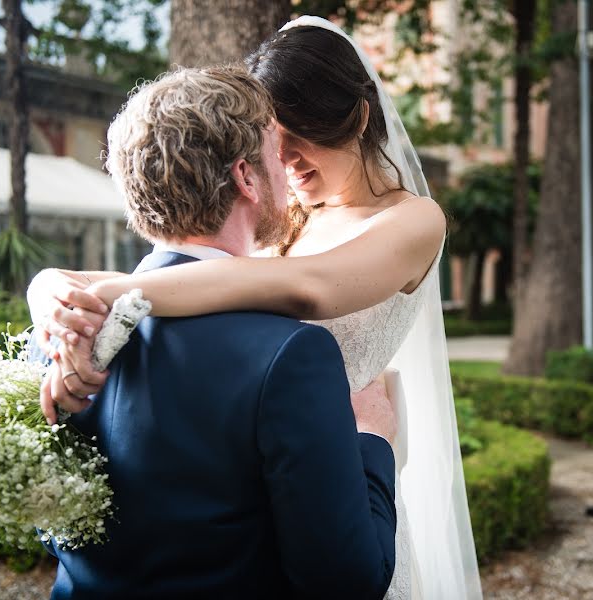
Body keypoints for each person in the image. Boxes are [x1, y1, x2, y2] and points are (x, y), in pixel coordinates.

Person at [30, 16, 482, 600]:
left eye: (302, 136)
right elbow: (193, 274)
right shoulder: (283, 220)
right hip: (246, 487)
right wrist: (49, 290)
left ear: (358, 118)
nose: (287, 160)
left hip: (339, 482)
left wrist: (120, 293)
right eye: (276, 140)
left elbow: (307, 288)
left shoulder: (413, 219)